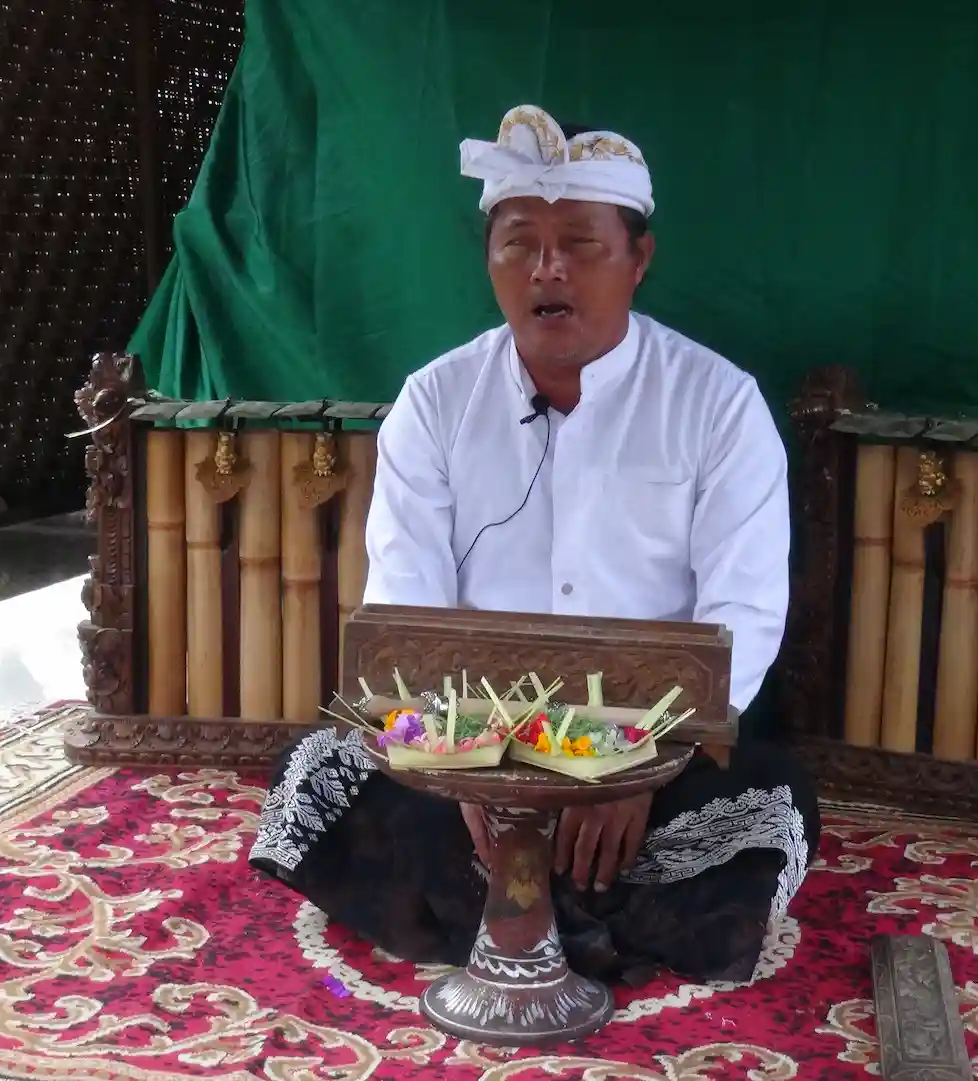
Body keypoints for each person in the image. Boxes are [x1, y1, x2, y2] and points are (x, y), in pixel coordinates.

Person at [248, 104, 817, 985]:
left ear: (638, 259)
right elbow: (406, 605)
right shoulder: (434, 402)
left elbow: (743, 610)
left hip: (651, 751)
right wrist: (464, 773)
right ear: (490, 261)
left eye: (580, 244)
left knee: (770, 806)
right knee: (316, 772)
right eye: (520, 244)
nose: (547, 269)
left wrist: (630, 773)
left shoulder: (718, 404)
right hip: (472, 742)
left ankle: (492, 910)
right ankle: (585, 924)